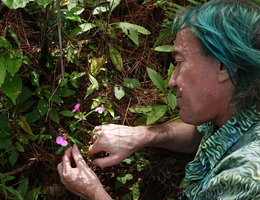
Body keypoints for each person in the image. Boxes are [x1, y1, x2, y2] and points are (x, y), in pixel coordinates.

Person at [57, 0, 260, 199]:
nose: (171, 81)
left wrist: (93, 192)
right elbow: (201, 135)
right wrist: (142, 135)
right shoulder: (240, 113)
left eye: (179, 62)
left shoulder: (247, 179)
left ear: (224, 67)